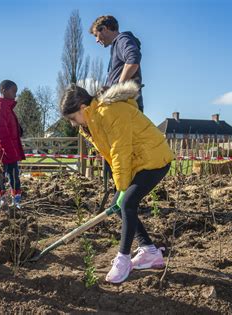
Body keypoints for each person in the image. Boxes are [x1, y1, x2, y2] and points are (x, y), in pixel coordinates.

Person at [59, 81, 174, 283]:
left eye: (72, 118)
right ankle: (149, 250)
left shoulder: (110, 112)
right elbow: (114, 156)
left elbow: (120, 152)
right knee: (117, 205)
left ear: (83, 108)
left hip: (154, 158)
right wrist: (120, 188)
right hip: (140, 162)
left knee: (127, 203)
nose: (73, 124)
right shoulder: (93, 121)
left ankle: (123, 259)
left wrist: (122, 188)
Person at [90, 15, 144, 112]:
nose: (97, 40)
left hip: (127, 105)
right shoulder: (117, 45)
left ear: (104, 29)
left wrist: (117, 88)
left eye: (96, 35)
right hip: (123, 105)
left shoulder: (122, 40)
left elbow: (133, 59)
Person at [0, 80, 25, 208]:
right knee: (3, 176)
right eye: (13, 91)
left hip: (7, 150)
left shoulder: (6, 109)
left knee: (12, 176)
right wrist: (11, 152)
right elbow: (1, 135)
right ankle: (3, 200)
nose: (15, 95)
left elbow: (10, 129)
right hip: (2, 152)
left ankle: (15, 200)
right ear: (3, 90)